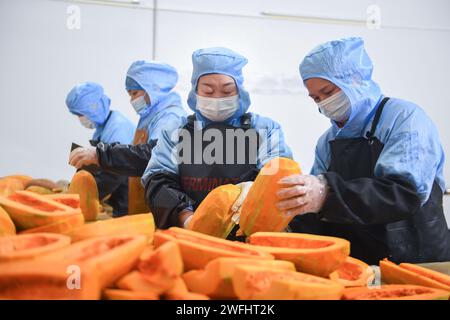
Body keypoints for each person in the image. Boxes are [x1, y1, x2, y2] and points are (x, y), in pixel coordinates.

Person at [277, 37, 450, 264]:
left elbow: (403, 193)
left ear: (355, 79)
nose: (323, 103)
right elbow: (316, 213)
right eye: (316, 98)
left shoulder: (404, 118)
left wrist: (326, 193)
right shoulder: (327, 141)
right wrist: (286, 222)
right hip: (358, 261)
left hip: (417, 258)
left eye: (328, 92)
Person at [143, 47, 293, 231]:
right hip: (190, 234)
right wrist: (187, 219)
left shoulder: (264, 129)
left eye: (227, 91)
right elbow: (159, 180)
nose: (217, 99)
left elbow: (277, 176)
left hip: (248, 234)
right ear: (195, 92)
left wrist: (257, 191)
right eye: (208, 91)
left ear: (240, 93)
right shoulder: (176, 130)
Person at [69, 61, 187, 215]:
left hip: (163, 207)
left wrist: (100, 154)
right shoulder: (149, 116)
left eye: (134, 93)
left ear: (153, 89)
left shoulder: (170, 116)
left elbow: (154, 154)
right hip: (144, 202)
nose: (132, 100)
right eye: (130, 94)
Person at [66, 82, 135, 216]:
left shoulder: (118, 128)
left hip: (125, 195)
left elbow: (114, 174)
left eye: (81, 114)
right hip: (116, 192)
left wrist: (85, 195)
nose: (81, 119)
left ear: (93, 107)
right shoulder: (103, 128)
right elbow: (98, 164)